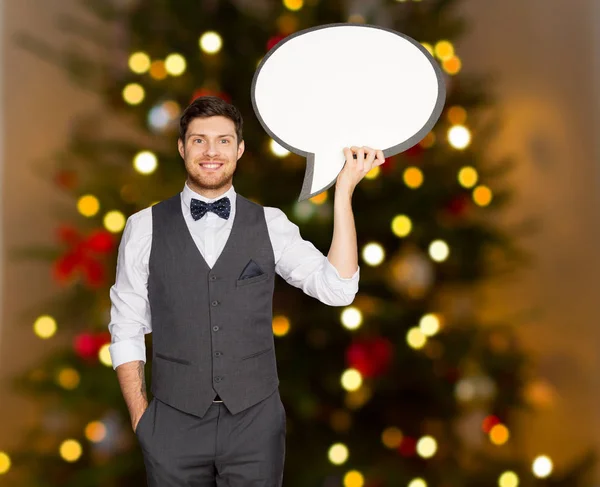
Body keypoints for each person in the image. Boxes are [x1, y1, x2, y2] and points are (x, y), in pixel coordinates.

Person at [108, 95, 385, 486]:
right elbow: (126, 326)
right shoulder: (143, 227)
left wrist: (343, 193)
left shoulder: (270, 224)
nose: (210, 151)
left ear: (239, 149)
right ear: (182, 147)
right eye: (199, 140)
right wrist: (141, 418)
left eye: (223, 140)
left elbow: (337, 288)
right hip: (172, 423)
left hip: (255, 425)